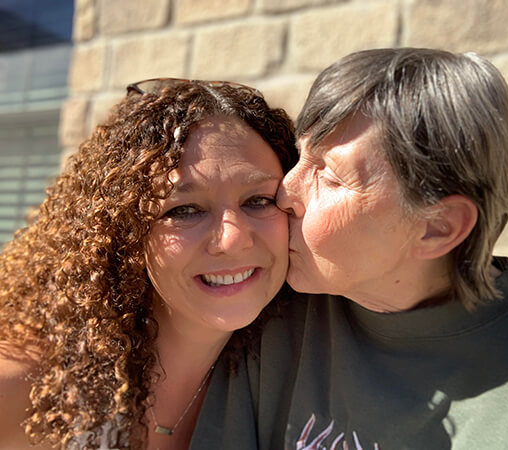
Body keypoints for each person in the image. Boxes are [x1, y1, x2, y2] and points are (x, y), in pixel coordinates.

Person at [190, 48, 508, 449]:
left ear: (437, 227)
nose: (285, 192)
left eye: (329, 177)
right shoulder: (273, 298)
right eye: (301, 157)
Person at [0, 79, 297, 449]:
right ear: (123, 232)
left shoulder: (289, 374)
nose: (233, 239)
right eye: (185, 210)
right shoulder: (25, 385)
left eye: (259, 200)